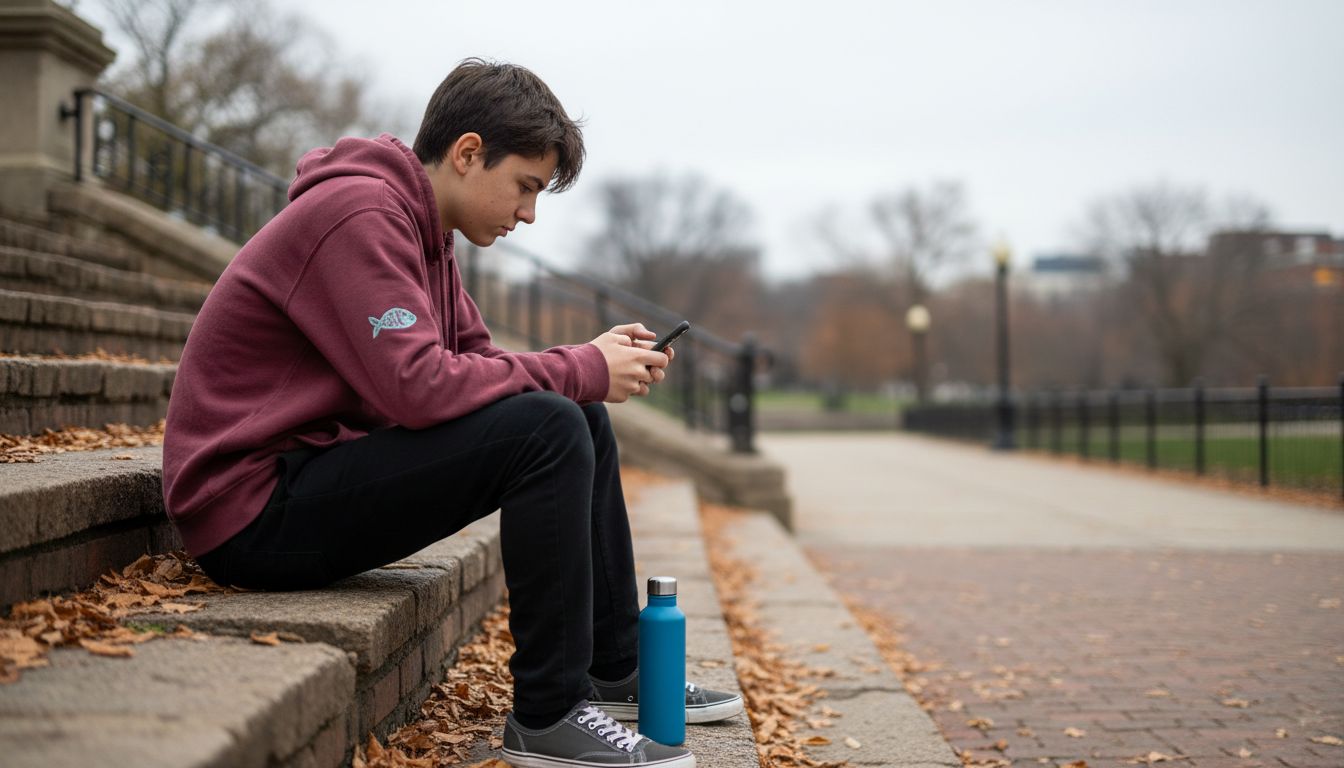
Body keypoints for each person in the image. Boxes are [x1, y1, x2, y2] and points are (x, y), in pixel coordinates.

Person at [162, 58, 741, 768]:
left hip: (306, 475)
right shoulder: (358, 214)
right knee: (553, 424)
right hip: (249, 510)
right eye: (525, 186)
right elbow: (419, 387)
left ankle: (615, 668)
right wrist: (580, 366)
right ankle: (548, 715)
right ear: (468, 154)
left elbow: (480, 367)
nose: (528, 213)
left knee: (573, 414)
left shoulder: (425, 231)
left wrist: (584, 369)